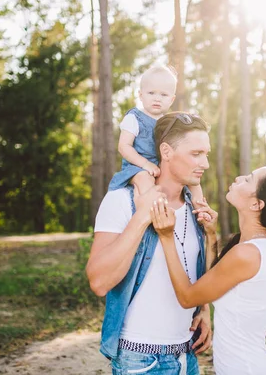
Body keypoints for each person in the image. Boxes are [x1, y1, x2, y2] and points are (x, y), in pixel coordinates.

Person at [87, 112, 214, 375]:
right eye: (196, 153)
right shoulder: (122, 200)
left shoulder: (196, 208)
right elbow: (98, 282)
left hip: (186, 355)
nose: (206, 163)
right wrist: (141, 217)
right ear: (166, 151)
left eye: (207, 154)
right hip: (141, 360)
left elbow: (195, 268)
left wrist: (203, 309)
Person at [151, 165, 266, 375]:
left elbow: (188, 297)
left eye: (248, 179)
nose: (239, 177)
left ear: (256, 204)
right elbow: (216, 279)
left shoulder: (248, 254)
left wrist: (166, 236)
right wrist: (211, 235)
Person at [108, 65, 204, 204]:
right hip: (138, 167)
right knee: (145, 180)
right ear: (141, 95)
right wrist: (146, 164)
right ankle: (154, 212)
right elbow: (124, 147)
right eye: (151, 93)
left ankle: (200, 208)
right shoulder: (134, 118)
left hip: (162, 167)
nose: (157, 99)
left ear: (171, 99)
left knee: (193, 181)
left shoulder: (169, 123)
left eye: (163, 95)